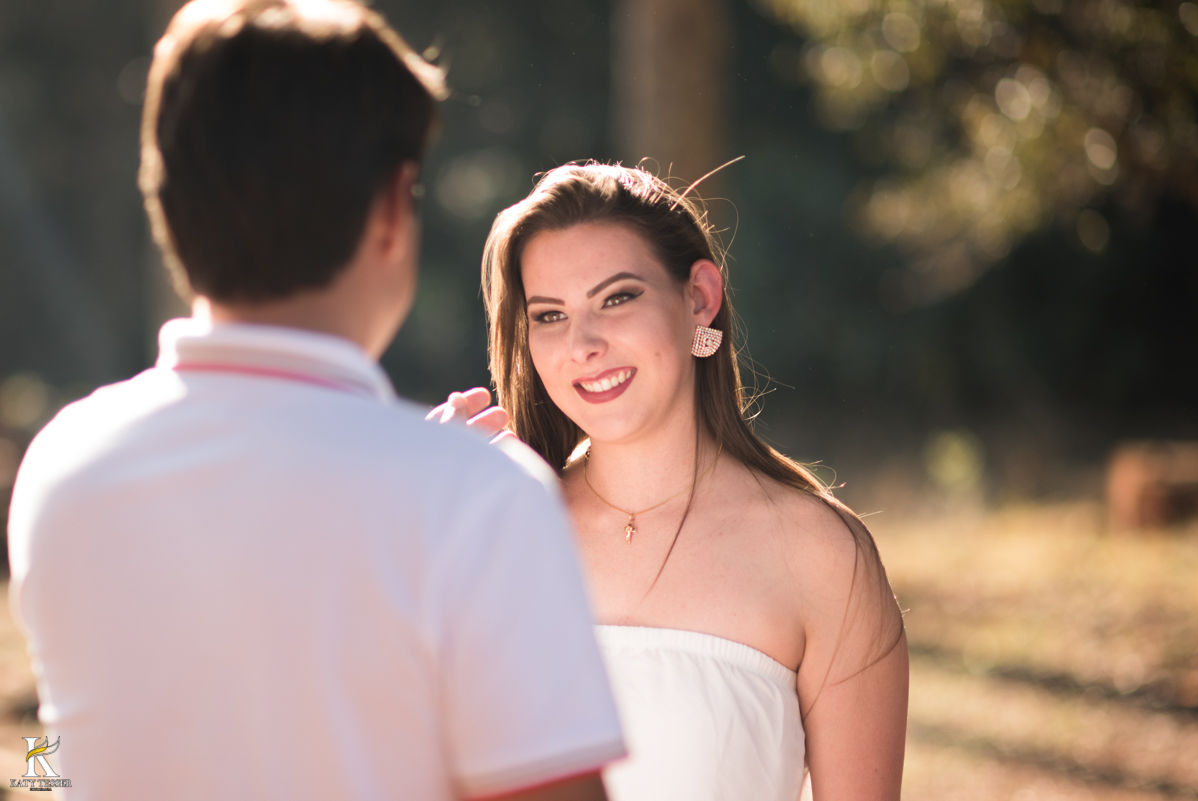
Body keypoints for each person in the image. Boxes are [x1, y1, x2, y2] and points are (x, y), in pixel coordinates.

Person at [6, 4, 624, 799]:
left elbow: (63, 763)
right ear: (393, 209)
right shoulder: (478, 499)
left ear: (163, 195)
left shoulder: (62, 464)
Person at [437, 163, 909, 800]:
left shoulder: (821, 558)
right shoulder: (494, 533)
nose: (583, 344)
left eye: (618, 298)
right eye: (550, 316)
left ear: (699, 298)